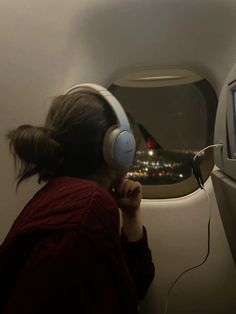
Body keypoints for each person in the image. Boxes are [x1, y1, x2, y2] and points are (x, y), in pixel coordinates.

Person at [0, 85, 155, 314]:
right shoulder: (89, 206)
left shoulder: (66, 195)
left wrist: (131, 215)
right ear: (118, 148)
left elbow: (133, 284)